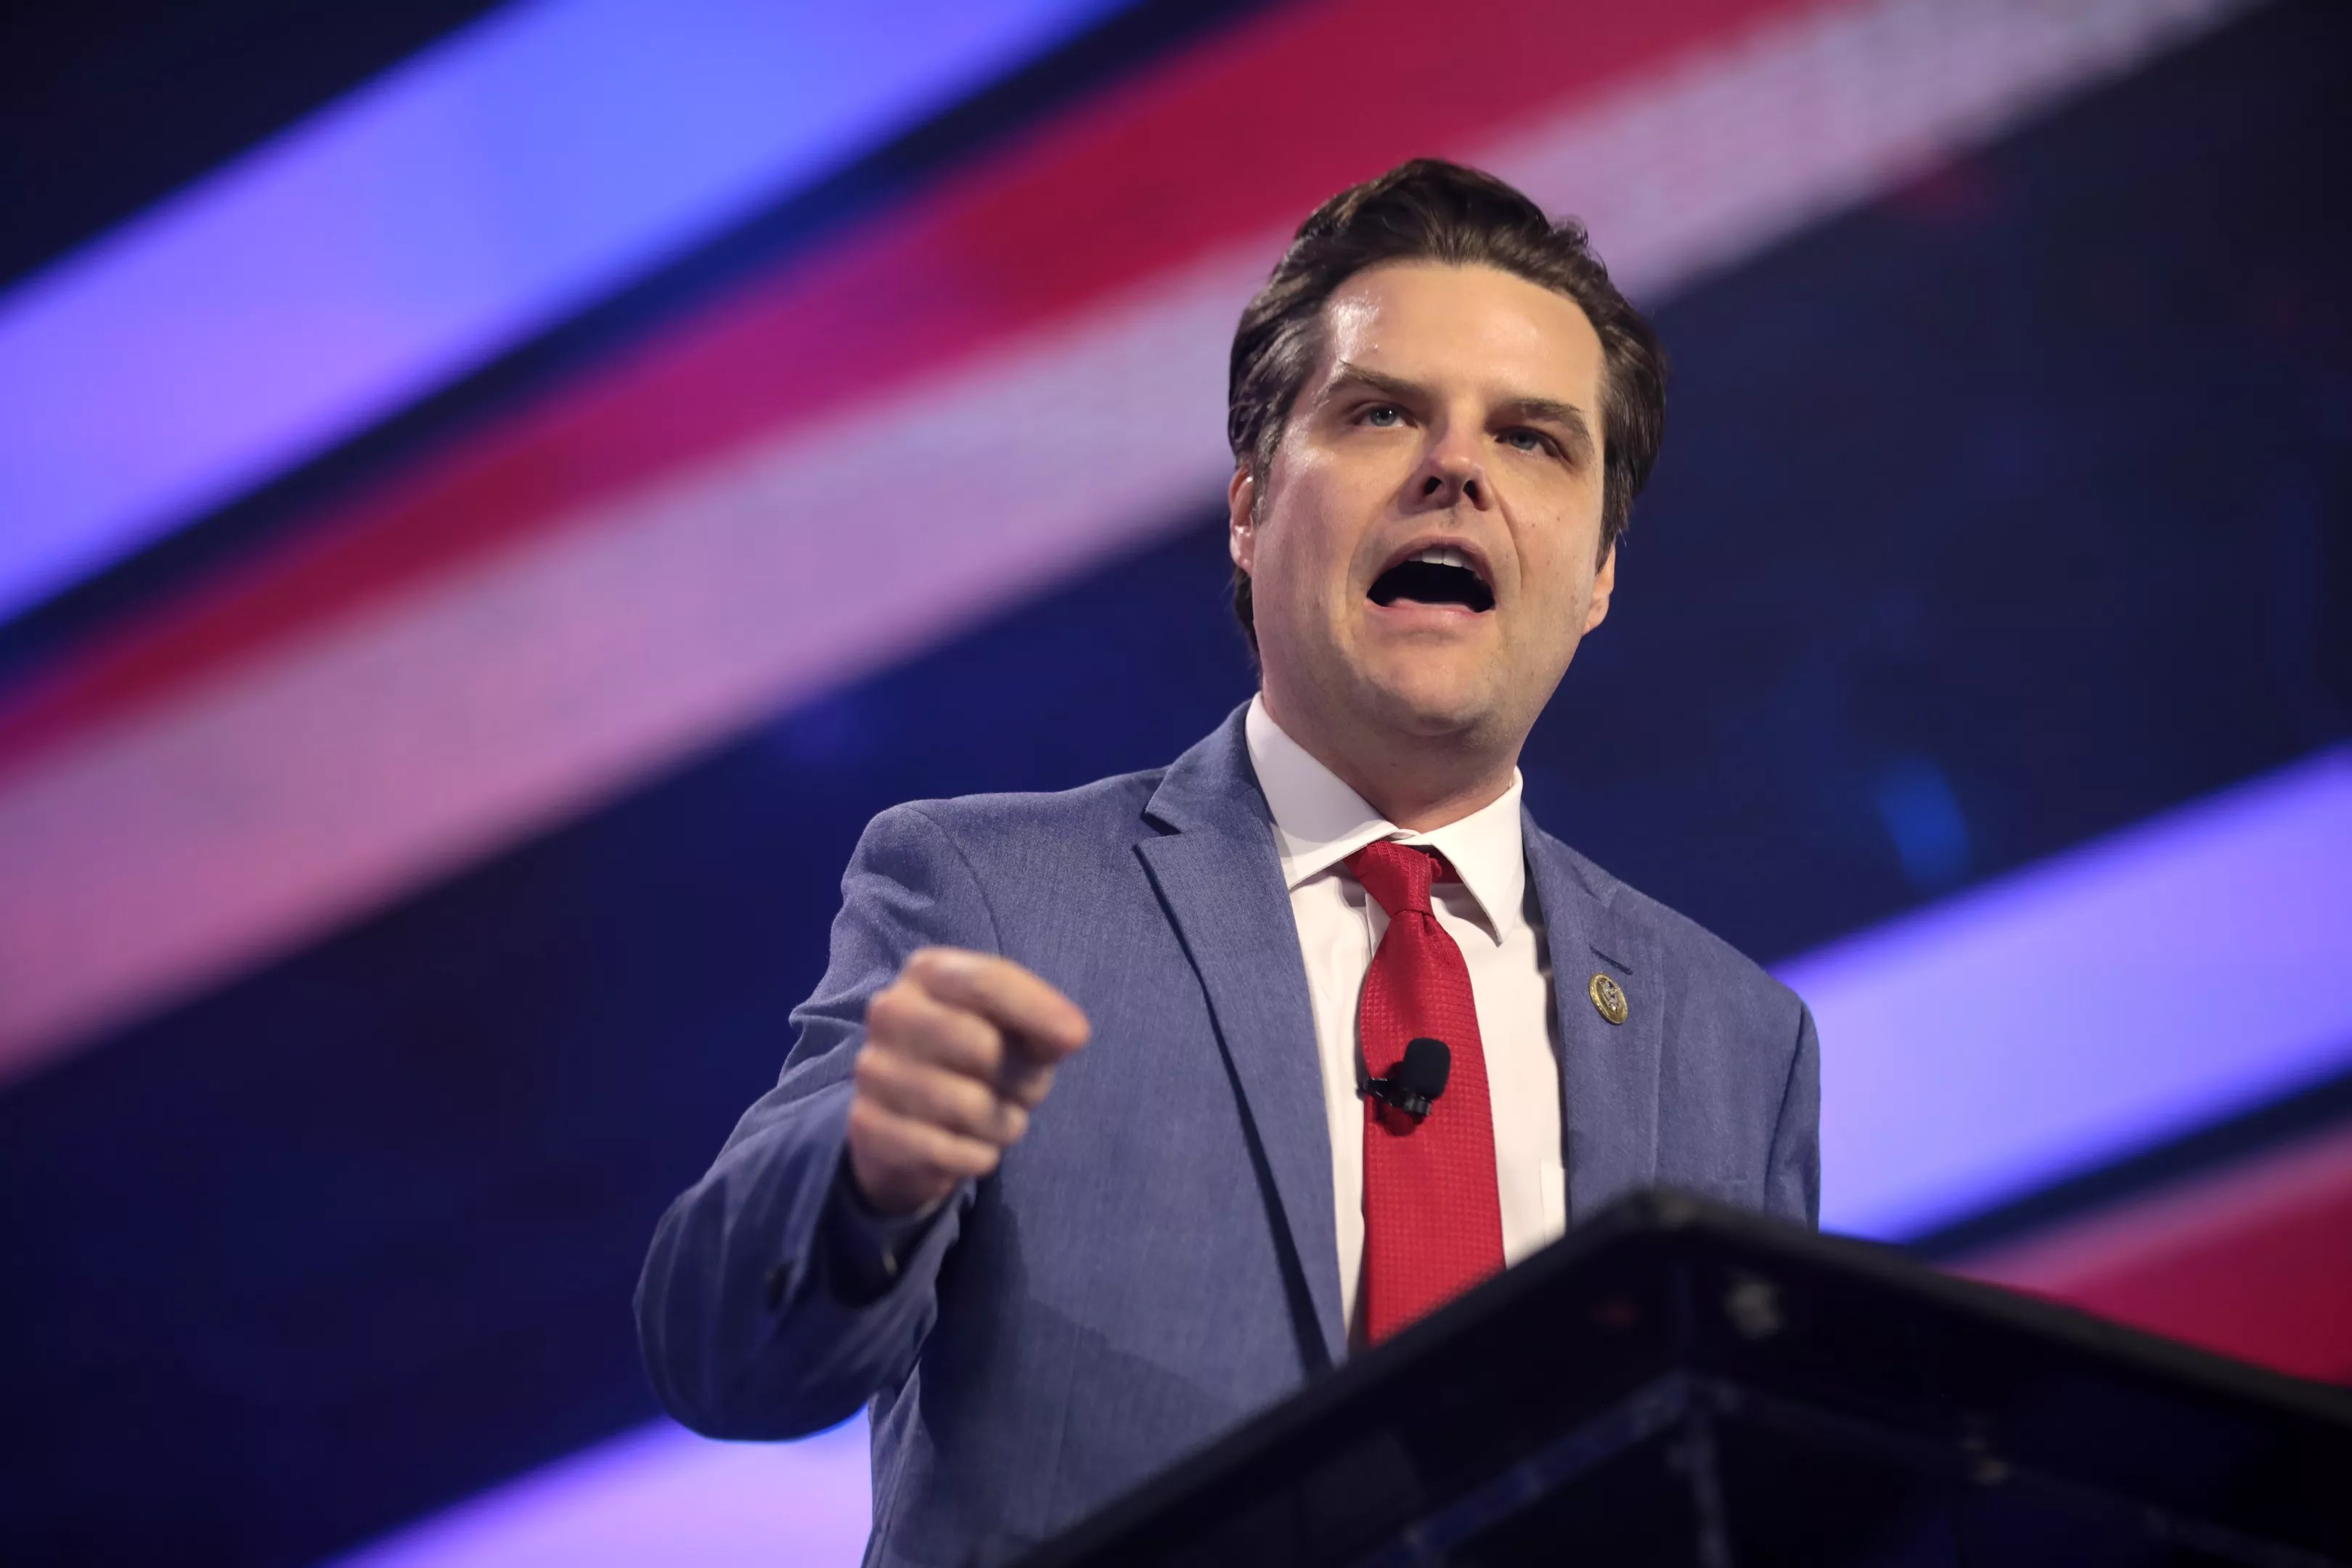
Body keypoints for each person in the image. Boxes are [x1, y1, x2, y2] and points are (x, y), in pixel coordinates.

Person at [637, 158, 1818, 1566]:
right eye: (1382, 413)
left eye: (1535, 441)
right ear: (1251, 509)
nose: (1458, 468)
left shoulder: (1737, 1047)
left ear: (1604, 569)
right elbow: (722, 1360)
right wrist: (866, 1181)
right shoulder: (990, 893)